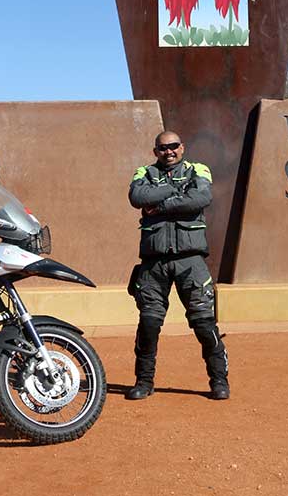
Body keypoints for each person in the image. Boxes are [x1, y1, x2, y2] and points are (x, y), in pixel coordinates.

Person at [125, 130, 230, 400]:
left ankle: (219, 380)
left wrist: (159, 206)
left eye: (173, 146)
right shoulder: (143, 173)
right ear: (155, 151)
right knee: (148, 325)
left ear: (182, 148)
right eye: (162, 148)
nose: (168, 151)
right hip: (153, 263)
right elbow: (137, 197)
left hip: (190, 261)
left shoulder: (199, 169)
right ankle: (144, 382)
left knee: (204, 324)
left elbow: (201, 198)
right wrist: (175, 190)